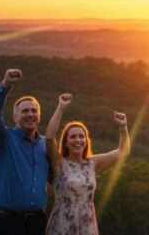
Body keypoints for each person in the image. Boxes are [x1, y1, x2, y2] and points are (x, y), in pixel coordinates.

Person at [44, 93, 130, 235]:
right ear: (65, 142)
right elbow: (50, 137)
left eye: (81, 136)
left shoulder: (92, 163)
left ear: (86, 140)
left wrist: (123, 127)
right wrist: (61, 108)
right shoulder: (58, 163)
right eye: (72, 136)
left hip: (87, 225)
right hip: (62, 225)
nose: (78, 140)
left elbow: (123, 151)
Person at [0, 69, 49, 235]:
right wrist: (5, 85)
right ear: (15, 116)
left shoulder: (46, 144)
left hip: (37, 222)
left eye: (34, 111)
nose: (30, 114)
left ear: (39, 116)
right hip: (8, 223)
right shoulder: (4, 139)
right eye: (25, 111)